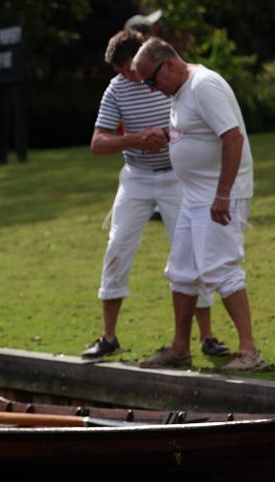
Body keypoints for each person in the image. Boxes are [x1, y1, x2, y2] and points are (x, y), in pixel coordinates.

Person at [82, 30, 228, 361]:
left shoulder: (171, 82)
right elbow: (97, 143)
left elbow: (200, 125)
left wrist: (167, 135)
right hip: (137, 177)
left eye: (128, 68)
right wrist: (136, 139)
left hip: (178, 177)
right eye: (119, 70)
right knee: (117, 246)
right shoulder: (117, 89)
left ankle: (206, 335)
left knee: (193, 252)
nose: (126, 76)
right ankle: (108, 336)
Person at [133, 38, 262, 372]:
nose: (150, 88)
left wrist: (223, 193)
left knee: (221, 268)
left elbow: (233, 138)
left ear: (170, 64)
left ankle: (249, 351)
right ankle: (179, 349)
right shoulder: (179, 91)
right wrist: (166, 134)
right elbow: (198, 133)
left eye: (151, 80)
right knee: (183, 272)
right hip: (194, 195)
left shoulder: (204, 85)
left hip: (217, 195)